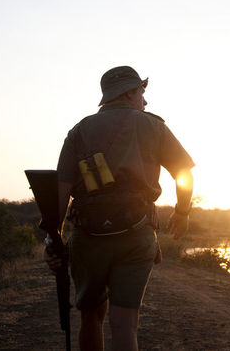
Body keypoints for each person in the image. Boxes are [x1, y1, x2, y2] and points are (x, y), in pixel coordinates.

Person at [45, 65, 194, 351]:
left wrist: (53, 238)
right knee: (125, 324)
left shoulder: (79, 131)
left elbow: (60, 193)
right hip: (136, 236)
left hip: (88, 238)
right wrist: (182, 213)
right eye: (141, 91)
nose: (145, 100)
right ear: (129, 92)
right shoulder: (153, 126)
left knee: (91, 317)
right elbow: (184, 174)